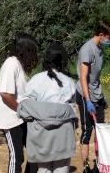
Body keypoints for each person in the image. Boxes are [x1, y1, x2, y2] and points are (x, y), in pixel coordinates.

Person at [23, 43, 76, 173]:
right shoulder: (69, 82)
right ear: (62, 60)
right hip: (63, 136)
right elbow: (73, 107)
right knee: (62, 168)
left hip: (41, 135)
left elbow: (27, 107)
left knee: (43, 169)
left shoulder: (35, 80)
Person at [75, 20, 110, 172]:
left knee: (101, 130)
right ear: (101, 35)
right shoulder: (87, 49)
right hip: (85, 95)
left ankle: (99, 164)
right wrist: (87, 100)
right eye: (109, 38)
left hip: (96, 95)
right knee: (87, 130)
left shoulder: (99, 48)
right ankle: (86, 166)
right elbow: (83, 77)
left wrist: (101, 97)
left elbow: (95, 78)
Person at [0, 32, 38, 173]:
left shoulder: (19, 65)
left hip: (21, 118)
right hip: (11, 119)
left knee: (34, 152)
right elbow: (5, 94)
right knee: (17, 156)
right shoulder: (11, 64)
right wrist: (22, 110)